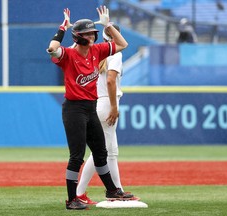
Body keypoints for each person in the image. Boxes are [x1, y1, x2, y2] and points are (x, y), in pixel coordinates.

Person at [46, 6, 134, 210]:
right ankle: (71, 199)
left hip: (91, 108)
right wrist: (63, 28)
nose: (92, 36)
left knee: (101, 151)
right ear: (78, 37)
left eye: (93, 33)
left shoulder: (97, 50)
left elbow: (123, 44)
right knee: (77, 155)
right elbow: (52, 48)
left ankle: (112, 190)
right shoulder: (68, 55)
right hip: (74, 110)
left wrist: (107, 25)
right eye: (87, 34)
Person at [76, 24, 138, 205]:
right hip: (106, 104)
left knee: (110, 151)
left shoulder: (97, 52)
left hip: (97, 102)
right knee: (101, 152)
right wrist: (114, 107)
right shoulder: (115, 54)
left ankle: (116, 189)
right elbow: (111, 80)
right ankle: (84, 192)